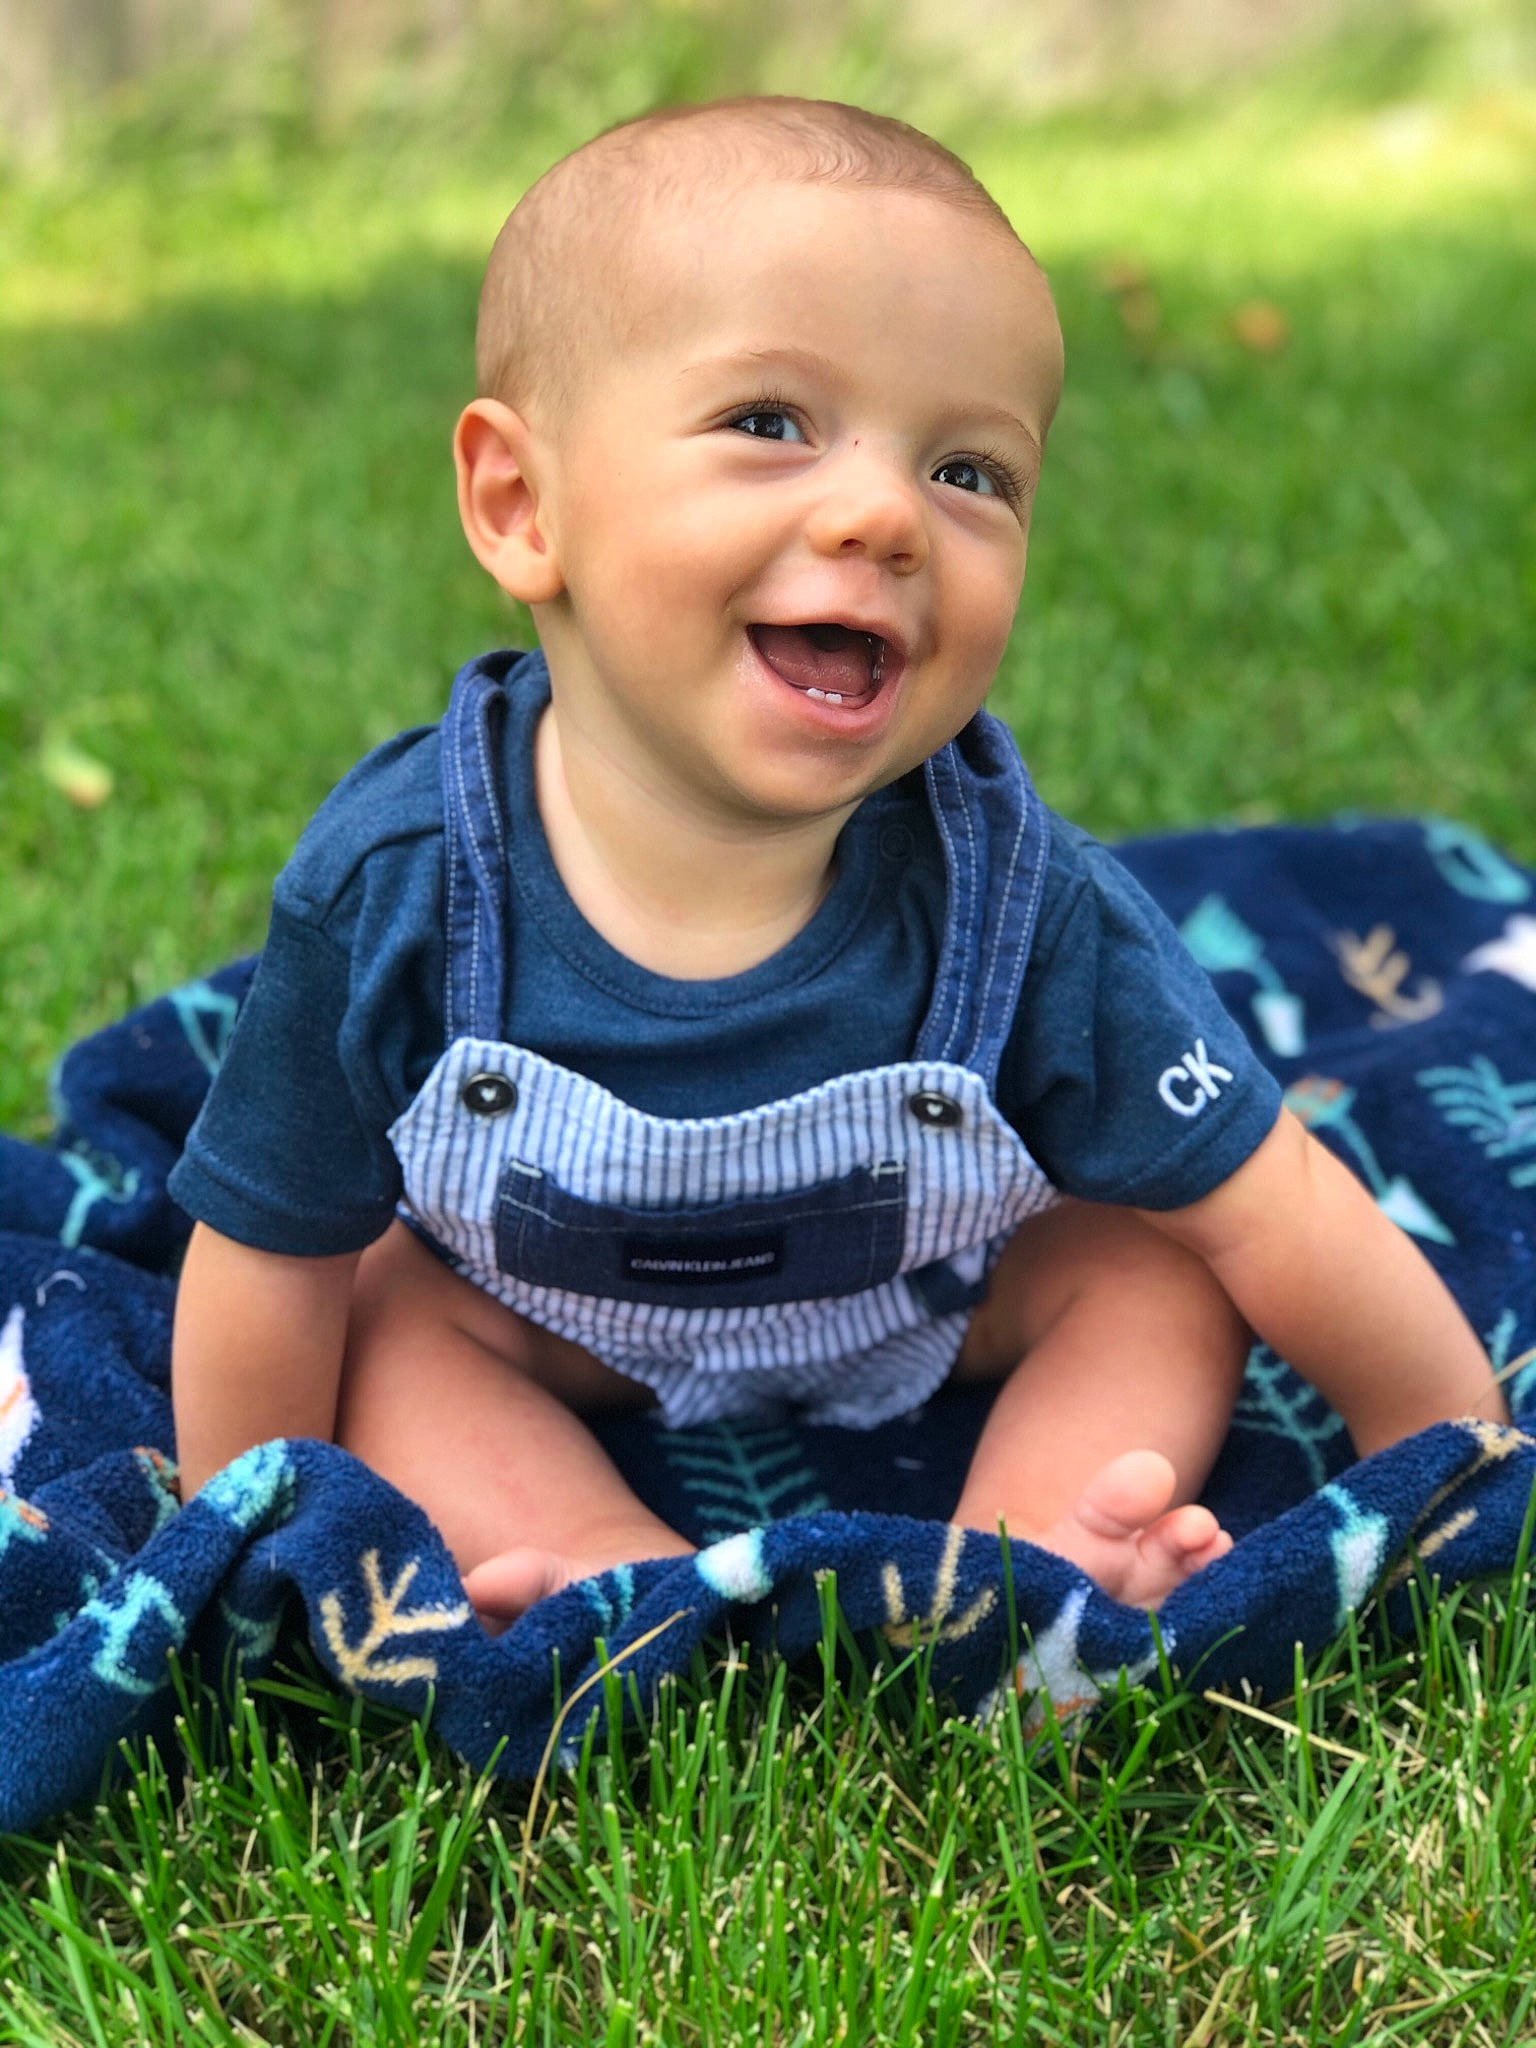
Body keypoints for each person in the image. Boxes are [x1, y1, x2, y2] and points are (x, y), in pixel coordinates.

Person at [167, 97, 1505, 1626]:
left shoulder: (1024, 905)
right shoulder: (399, 888)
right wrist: (246, 1554)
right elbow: (264, 1248)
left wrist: (1447, 1446)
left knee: (1152, 1269)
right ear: (520, 505)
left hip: (931, 1309)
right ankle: (621, 1589)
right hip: (548, 1320)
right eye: (770, 424)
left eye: (971, 473)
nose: (883, 513)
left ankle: (1015, 1581)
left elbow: (1273, 1205)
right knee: (387, 1321)